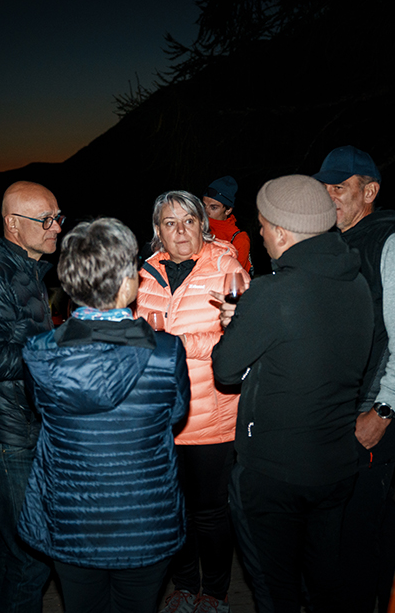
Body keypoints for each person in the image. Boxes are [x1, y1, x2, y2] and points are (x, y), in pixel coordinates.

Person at [211, 174, 374, 612]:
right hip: (336, 466)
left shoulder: (273, 293)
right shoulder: (358, 284)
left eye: (263, 225)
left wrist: (236, 325)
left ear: (282, 233)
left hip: (274, 474)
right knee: (323, 589)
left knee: (275, 592)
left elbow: (226, 370)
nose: (261, 234)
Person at [19, 217, 191, 613]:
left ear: (69, 283)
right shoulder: (166, 352)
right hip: (145, 519)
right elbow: (175, 415)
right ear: (128, 283)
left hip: (71, 519)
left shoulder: (39, 351)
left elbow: (41, 410)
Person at [312, 146, 395, 612]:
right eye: (324, 188)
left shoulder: (393, 245)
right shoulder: (337, 243)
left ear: (370, 191)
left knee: (352, 542)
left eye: (339, 188)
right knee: (377, 523)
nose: (329, 197)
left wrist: (381, 412)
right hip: (341, 410)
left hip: (373, 411)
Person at [135, 190, 247, 613]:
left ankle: (214, 594)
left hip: (210, 414)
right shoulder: (145, 273)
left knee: (210, 512)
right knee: (172, 508)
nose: (180, 231)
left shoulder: (227, 267)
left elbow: (245, 338)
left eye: (188, 221)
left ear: (203, 225)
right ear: (158, 231)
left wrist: (177, 344)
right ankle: (184, 586)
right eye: (170, 223)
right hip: (162, 415)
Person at [0, 180, 63, 613]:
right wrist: (48, 352)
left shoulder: (27, 269)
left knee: (15, 549)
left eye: (58, 217)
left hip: (26, 429)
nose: (56, 227)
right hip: (12, 437)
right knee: (33, 554)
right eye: (46, 219)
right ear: (13, 224)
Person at [203, 176, 253, 275]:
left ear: (228, 210)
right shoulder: (197, 228)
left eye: (213, 207)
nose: (206, 211)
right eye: (204, 205)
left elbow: (237, 277)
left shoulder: (239, 239)